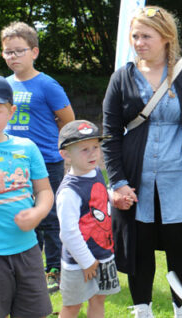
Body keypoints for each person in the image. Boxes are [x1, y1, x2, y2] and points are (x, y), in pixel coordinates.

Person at [102, 6, 182, 318]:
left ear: (166, 38)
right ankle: (142, 310)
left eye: (146, 36)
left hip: (179, 176)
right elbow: (110, 133)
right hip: (135, 175)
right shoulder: (122, 77)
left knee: (178, 245)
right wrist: (118, 181)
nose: (139, 42)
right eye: (135, 36)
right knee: (139, 246)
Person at [0, 73, 53, 317]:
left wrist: (38, 212)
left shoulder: (26, 147)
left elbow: (44, 190)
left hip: (28, 250)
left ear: (11, 111)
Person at [1, 21, 76, 293]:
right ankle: (28, 268)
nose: (13, 57)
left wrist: (62, 148)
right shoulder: (3, 85)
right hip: (12, 163)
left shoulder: (47, 84)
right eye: (8, 52)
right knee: (21, 214)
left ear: (34, 52)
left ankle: (54, 270)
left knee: (49, 218)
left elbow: (68, 122)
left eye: (19, 51)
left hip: (46, 161)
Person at [56, 120, 122, 318]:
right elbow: (68, 233)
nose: (93, 153)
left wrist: (113, 197)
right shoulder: (69, 192)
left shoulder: (95, 172)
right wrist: (86, 262)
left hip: (103, 253)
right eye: (84, 149)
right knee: (72, 306)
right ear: (66, 154)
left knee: (98, 299)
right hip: (79, 262)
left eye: (95, 147)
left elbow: (97, 196)